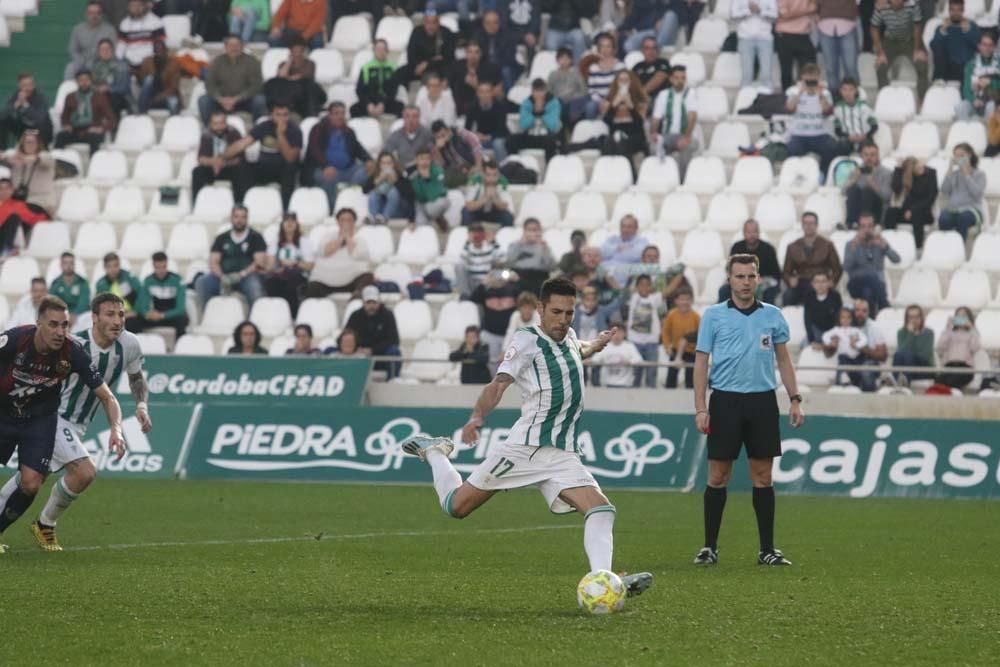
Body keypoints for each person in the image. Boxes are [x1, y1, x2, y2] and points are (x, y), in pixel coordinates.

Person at [401, 276, 653, 599]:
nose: (563, 320)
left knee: (602, 510)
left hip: (561, 454)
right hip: (525, 450)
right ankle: (435, 452)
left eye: (569, 313)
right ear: (540, 309)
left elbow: (577, 351)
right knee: (457, 507)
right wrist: (477, 417)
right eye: (557, 312)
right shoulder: (525, 342)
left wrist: (596, 345)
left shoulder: (570, 336)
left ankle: (603, 582)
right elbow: (498, 384)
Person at [2, 293, 148, 552]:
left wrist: (141, 406)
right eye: (110, 315)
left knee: (31, 480)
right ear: (94, 318)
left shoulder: (130, 344)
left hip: (75, 426)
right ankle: (46, 524)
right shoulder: (73, 343)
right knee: (84, 472)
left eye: (121, 315)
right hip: (54, 417)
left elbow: (135, 379)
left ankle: (39, 524)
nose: (117, 321)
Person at [693, 253, 804, 567]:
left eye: (750, 276)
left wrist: (795, 399)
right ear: (729, 279)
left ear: (758, 279)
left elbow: (783, 359)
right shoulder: (713, 316)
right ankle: (709, 547)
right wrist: (701, 408)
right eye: (739, 276)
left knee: (762, 476)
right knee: (718, 476)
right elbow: (701, 363)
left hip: (762, 402)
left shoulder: (773, 316)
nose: (745, 282)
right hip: (725, 401)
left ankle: (767, 549)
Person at [223, 101, 302, 210]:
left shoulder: (295, 130)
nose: (282, 118)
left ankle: (285, 210)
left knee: (290, 169)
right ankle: (240, 206)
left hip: (283, 170)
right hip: (264, 167)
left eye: (285, 115)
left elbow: (290, 158)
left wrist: (280, 133)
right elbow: (242, 144)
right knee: (242, 168)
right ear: (271, 115)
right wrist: (222, 156)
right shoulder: (264, 126)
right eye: (278, 115)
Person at [195, 205, 269, 308]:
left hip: (246, 277)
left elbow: (259, 262)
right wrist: (223, 277)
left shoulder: (256, 237)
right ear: (231, 218)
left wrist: (241, 275)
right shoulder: (221, 238)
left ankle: (254, 321)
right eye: (236, 216)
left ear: (247, 219)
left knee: (254, 287)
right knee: (202, 282)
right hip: (223, 277)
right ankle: (208, 314)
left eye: (243, 217)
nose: (239, 220)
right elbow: (213, 262)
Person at [307, 102, 373, 212]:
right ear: (329, 115)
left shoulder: (349, 131)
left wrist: (369, 160)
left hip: (347, 170)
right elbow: (315, 151)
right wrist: (326, 166)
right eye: (336, 113)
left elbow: (358, 148)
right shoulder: (318, 129)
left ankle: (350, 201)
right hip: (322, 169)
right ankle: (333, 211)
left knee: (367, 170)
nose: (340, 117)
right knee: (329, 177)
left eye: (342, 113)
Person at [198, 34, 267, 125]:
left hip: (245, 100)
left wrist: (236, 99)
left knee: (260, 100)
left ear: (242, 46)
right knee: (203, 100)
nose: (234, 48)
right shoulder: (217, 62)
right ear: (225, 47)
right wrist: (220, 98)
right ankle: (210, 130)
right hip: (221, 100)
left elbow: (256, 86)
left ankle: (258, 130)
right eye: (231, 45)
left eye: (237, 45)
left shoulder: (252, 62)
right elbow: (210, 84)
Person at [304, 207, 372, 298]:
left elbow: (357, 254)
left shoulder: (360, 240)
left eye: (349, 220)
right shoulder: (328, 237)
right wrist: (340, 239)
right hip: (325, 281)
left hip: (351, 281)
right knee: (312, 286)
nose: (346, 223)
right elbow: (324, 252)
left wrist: (348, 237)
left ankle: (356, 299)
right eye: (343, 220)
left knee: (367, 277)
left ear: (354, 222)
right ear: (338, 222)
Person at [785, 64, 837, 179]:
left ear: (818, 78)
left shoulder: (825, 93)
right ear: (802, 78)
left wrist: (820, 95)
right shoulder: (794, 91)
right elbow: (789, 108)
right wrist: (800, 93)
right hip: (799, 134)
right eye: (808, 80)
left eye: (813, 80)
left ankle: (824, 177)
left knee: (831, 148)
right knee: (792, 148)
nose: (811, 83)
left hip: (820, 134)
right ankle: (795, 177)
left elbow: (827, 111)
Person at [843, 212, 898, 317]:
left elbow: (896, 260)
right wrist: (854, 248)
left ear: (873, 227)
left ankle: (871, 320)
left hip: (875, 287)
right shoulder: (851, 244)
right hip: (855, 284)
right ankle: (884, 305)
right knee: (870, 274)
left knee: (868, 292)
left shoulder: (879, 242)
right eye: (863, 226)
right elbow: (846, 267)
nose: (866, 229)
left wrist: (885, 247)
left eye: (869, 226)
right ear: (858, 228)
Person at [871, 0, 928, 101]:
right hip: (890, 41)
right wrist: (880, 53)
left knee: (922, 64)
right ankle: (885, 99)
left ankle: (922, 100)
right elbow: (874, 28)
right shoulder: (881, 6)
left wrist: (917, 49)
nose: (896, 2)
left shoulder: (913, 4)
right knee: (880, 67)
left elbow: (917, 26)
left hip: (910, 39)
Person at [782, 212, 842, 305]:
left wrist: (832, 281)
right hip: (801, 281)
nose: (808, 226)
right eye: (805, 223)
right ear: (802, 225)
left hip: (821, 282)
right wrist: (790, 280)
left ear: (817, 225)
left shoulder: (827, 245)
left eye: (811, 223)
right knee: (788, 296)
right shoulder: (793, 247)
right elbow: (786, 271)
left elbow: (837, 269)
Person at [650, 65, 698, 181]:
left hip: (685, 134)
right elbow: (656, 118)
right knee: (655, 145)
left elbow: (692, 117)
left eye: (683, 78)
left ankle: (682, 181)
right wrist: (653, 133)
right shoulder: (664, 95)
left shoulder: (690, 93)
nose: (680, 81)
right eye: (677, 78)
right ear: (671, 79)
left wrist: (686, 137)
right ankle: (659, 179)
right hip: (667, 135)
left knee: (688, 146)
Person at [127, 251, 189, 339]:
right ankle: (140, 346)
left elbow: (180, 309)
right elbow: (143, 305)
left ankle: (179, 349)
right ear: (153, 266)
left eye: (163, 267)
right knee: (131, 322)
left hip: (172, 316)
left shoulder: (178, 281)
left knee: (182, 320)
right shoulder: (148, 281)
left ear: (167, 265)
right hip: (155, 316)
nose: (161, 271)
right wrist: (147, 314)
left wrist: (163, 315)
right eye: (157, 267)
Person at [193, 111, 251, 203]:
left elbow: (240, 158)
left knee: (241, 171)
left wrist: (223, 163)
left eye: (221, 123)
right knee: (197, 172)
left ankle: (239, 203)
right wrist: (214, 162)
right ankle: (196, 202)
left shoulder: (234, 133)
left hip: (230, 167)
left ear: (226, 123)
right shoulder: (206, 135)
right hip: (212, 168)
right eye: (215, 124)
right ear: (211, 124)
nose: (219, 127)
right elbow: (201, 158)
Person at [719, 219, 781, 304]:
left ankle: (764, 317)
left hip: (763, 283)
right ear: (744, 233)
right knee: (724, 291)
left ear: (759, 232)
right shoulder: (737, 247)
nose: (752, 235)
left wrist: (761, 280)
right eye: (748, 232)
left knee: (769, 293)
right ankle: (724, 317)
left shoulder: (768, 249)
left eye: (754, 231)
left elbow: (776, 274)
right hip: (740, 281)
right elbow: (729, 269)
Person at [54, 69, 116, 155]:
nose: (84, 83)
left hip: (92, 130)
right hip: (75, 130)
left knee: (94, 139)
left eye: (87, 80)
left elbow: (111, 119)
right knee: (60, 137)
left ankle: (93, 166)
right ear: (77, 82)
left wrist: (101, 128)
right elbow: (64, 117)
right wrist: (66, 125)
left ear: (91, 81)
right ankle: (58, 164)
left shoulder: (99, 97)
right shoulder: (70, 97)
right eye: (81, 80)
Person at [344, 285, 401, 378]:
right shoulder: (355, 316)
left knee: (394, 352)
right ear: (363, 302)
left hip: (381, 357)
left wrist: (372, 350)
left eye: (374, 302)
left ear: (379, 302)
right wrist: (356, 348)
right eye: (368, 302)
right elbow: (346, 335)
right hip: (358, 356)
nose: (371, 306)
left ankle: (393, 381)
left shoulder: (387, 315)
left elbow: (394, 340)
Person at [266, 212, 314, 317]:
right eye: (286, 220)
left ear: (297, 224)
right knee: (272, 283)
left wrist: (296, 263)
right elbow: (270, 266)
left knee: (292, 283)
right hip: (279, 274)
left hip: (298, 275)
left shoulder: (304, 242)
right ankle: (275, 315)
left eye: (292, 221)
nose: (289, 223)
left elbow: (310, 266)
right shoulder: (275, 242)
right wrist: (278, 265)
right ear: (282, 224)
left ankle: (293, 315)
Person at [263, 37, 326, 118]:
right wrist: (289, 61)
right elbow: (280, 77)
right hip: (288, 93)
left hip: (304, 93)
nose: (297, 53)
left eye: (300, 51)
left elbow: (303, 76)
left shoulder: (310, 63)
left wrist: (288, 78)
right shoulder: (283, 64)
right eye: (295, 51)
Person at [470, 269, 522, 365]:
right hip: (490, 334)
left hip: (509, 336)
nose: (499, 278)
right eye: (496, 275)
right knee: (492, 364)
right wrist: (484, 283)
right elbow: (473, 298)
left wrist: (517, 280)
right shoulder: (486, 292)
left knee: (511, 364)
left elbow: (525, 297)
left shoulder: (513, 290)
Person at [884, 157, 937, 249]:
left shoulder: (931, 174)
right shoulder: (909, 178)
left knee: (917, 214)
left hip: (924, 213)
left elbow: (930, 198)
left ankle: (918, 247)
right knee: (891, 211)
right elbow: (896, 188)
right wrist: (898, 169)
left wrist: (912, 210)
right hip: (907, 212)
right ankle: (889, 243)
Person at [603, 71, 649, 176]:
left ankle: (631, 177)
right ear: (616, 82)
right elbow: (606, 121)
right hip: (616, 136)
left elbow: (639, 123)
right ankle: (607, 177)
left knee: (623, 143)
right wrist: (614, 105)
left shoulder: (641, 101)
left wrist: (630, 106)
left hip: (635, 137)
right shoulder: (610, 101)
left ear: (631, 82)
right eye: (620, 80)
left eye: (626, 80)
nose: (623, 83)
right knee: (608, 142)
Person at [1, 130, 58, 215]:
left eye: (33, 142)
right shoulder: (15, 158)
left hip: (40, 203)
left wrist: (23, 158)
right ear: (22, 144)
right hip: (18, 201)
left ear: (38, 144)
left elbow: (40, 159)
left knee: (13, 213)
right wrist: (6, 157)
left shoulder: (46, 156)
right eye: (27, 142)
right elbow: (4, 156)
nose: (30, 145)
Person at [938, 142, 986, 241]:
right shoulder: (954, 174)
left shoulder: (980, 174)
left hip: (972, 211)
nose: (958, 158)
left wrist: (966, 175)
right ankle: (946, 247)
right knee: (943, 218)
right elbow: (944, 191)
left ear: (970, 155)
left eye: (961, 155)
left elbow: (977, 194)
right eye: (956, 155)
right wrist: (949, 170)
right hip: (953, 210)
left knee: (963, 218)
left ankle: (960, 249)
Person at [505, 78, 561, 160]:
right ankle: (515, 164)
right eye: (536, 91)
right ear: (532, 91)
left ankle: (549, 167)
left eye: (541, 90)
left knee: (551, 141)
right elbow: (523, 125)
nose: (539, 94)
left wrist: (541, 112)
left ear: (545, 91)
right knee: (511, 140)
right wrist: (534, 113)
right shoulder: (527, 103)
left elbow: (553, 126)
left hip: (546, 136)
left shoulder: (553, 102)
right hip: (530, 136)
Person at [65, 2, 120, 81]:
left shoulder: (110, 30)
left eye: (97, 13)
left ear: (102, 15)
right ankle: (71, 92)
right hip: (83, 62)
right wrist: (80, 60)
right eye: (91, 13)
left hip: (103, 63)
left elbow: (114, 50)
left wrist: (103, 61)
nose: (94, 16)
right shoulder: (78, 29)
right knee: (70, 68)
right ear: (86, 14)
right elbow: (73, 49)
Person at [626, 274, 664, 388]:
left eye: (647, 285)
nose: (644, 287)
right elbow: (620, 290)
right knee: (635, 374)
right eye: (641, 285)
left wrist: (680, 274)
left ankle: (652, 402)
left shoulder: (655, 298)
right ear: (636, 287)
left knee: (651, 373)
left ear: (651, 287)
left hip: (652, 342)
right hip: (634, 341)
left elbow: (669, 290)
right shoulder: (632, 298)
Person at [930, 0, 980, 84]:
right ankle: (938, 84)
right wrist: (942, 30)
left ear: (962, 11)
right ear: (949, 11)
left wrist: (967, 32)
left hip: (965, 67)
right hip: (946, 68)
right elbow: (933, 47)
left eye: (958, 10)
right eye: (952, 10)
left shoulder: (972, 26)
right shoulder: (941, 27)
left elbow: (979, 47)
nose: (955, 13)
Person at [843, 141, 891, 228]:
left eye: (872, 155)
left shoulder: (886, 173)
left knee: (867, 190)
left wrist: (873, 184)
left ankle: (866, 224)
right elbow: (843, 192)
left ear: (878, 156)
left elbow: (887, 197)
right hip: (857, 210)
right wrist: (853, 180)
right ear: (862, 156)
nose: (869, 158)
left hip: (877, 211)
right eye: (866, 155)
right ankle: (850, 224)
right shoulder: (856, 171)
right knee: (853, 189)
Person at [403, 7, 457, 83]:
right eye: (427, 22)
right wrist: (417, 66)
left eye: (433, 22)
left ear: (438, 22)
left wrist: (427, 63)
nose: (430, 26)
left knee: (451, 72)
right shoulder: (417, 32)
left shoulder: (446, 33)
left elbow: (448, 57)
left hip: (439, 68)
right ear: (424, 22)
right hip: (418, 66)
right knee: (401, 73)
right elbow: (411, 53)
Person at [732, 0, 778, 89]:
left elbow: (775, 16)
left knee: (766, 74)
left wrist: (760, 10)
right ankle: (744, 101)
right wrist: (748, 10)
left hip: (765, 38)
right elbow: (733, 15)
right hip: (745, 38)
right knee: (747, 75)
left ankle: (768, 101)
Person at [506, 218, 556, 296]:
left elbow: (552, 267)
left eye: (535, 230)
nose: (532, 233)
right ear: (524, 231)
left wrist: (544, 248)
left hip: (539, 276)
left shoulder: (544, 246)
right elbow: (509, 262)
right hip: (519, 275)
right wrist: (520, 244)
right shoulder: (515, 245)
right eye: (529, 230)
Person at [353, 39, 403, 118]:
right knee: (354, 109)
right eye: (378, 49)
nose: (381, 52)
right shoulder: (366, 68)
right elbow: (360, 90)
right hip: (370, 102)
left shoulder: (393, 68)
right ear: (374, 51)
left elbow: (393, 89)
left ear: (387, 51)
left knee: (401, 107)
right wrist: (368, 104)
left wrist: (382, 103)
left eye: (383, 49)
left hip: (387, 102)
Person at [1, 73, 53, 149]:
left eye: (30, 84)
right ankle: (2, 150)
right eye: (24, 85)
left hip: (39, 131)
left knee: (43, 122)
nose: (28, 88)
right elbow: (3, 115)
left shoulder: (40, 97)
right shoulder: (15, 96)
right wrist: (16, 104)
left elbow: (40, 119)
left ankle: (43, 149)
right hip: (22, 130)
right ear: (19, 86)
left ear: (34, 85)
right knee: (3, 120)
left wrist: (26, 105)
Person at [450, 42, 501, 118]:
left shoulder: (490, 68)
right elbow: (449, 86)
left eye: (476, 52)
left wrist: (477, 86)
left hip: (482, 105)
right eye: (470, 52)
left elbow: (498, 91)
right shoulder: (457, 66)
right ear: (466, 53)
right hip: (460, 103)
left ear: (480, 54)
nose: (473, 56)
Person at [817, 0, 859, 93]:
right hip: (825, 26)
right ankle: (834, 101)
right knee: (830, 68)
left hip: (848, 24)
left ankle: (855, 101)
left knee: (850, 68)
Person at [774, 0, 817, 92]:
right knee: (786, 73)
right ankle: (786, 99)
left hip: (804, 35)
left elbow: (814, 8)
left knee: (808, 72)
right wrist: (805, 11)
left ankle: (808, 99)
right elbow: (784, 15)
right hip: (785, 35)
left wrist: (802, 11)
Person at [661, 286, 698, 389]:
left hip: (691, 352)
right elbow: (665, 332)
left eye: (687, 299)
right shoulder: (671, 315)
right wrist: (667, 346)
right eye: (681, 299)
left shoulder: (696, 316)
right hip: (675, 350)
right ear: (676, 301)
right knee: (671, 379)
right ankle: (668, 400)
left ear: (691, 301)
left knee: (691, 380)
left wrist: (697, 349)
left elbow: (701, 334)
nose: (684, 302)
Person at [957, 32, 1000, 120]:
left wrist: (991, 82)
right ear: (979, 46)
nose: (987, 48)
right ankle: (964, 133)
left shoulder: (998, 63)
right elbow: (966, 89)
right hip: (976, 101)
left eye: (990, 45)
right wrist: (973, 100)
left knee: (990, 106)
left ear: (995, 47)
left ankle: (989, 133)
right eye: (984, 45)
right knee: (961, 107)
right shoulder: (971, 65)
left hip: (995, 102)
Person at [936, 307, 981, 389]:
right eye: (958, 316)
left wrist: (972, 328)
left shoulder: (973, 332)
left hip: (965, 368)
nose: (960, 318)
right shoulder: (949, 332)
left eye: (963, 316)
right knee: (938, 383)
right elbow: (940, 347)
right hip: (949, 366)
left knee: (952, 382)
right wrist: (947, 329)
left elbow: (975, 348)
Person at [822, 306, 867, 386]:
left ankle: (847, 381)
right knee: (842, 359)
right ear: (839, 319)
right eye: (843, 317)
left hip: (854, 360)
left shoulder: (855, 330)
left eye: (848, 317)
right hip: (843, 359)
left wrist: (856, 344)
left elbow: (864, 340)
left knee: (846, 365)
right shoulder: (837, 330)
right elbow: (825, 336)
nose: (845, 320)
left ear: (852, 319)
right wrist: (831, 343)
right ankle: (839, 382)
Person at [465, 81, 509, 162]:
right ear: (477, 93)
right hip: (481, 138)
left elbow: (502, 128)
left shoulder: (500, 106)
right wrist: (475, 135)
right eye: (481, 92)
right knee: (469, 143)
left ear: (492, 93)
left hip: (498, 136)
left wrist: (488, 137)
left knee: (498, 144)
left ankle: (503, 169)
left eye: (487, 91)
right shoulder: (472, 107)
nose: (484, 95)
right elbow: (467, 128)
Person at [584, 32, 626, 120]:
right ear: (599, 49)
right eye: (602, 46)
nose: (605, 49)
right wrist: (600, 102)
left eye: (608, 46)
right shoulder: (593, 68)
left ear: (613, 49)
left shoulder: (620, 66)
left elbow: (623, 89)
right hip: (599, 101)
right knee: (590, 107)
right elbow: (592, 91)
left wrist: (610, 102)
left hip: (616, 99)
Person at [476, 10, 519, 91]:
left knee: (506, 71)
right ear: (483, 24)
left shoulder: (508, 36)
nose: (491, 26)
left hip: (502, 67)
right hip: (484, 68)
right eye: (488, 23)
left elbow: (509, 59)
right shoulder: (478, 36)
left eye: (495, 23)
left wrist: (493, 70)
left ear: (499, 24)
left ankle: (506, 99)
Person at [832, 77, 876, 157]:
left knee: (868, 148)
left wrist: (865, 136)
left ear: (855, 91)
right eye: (844, 90)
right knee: (840, 146)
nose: (847, 93)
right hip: (848, 139)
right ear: (840, 91)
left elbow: (874, 126)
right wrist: (848, 137)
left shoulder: (865, 107)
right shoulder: (837, 109)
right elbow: (837, 130)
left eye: (850, 90)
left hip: (864, 138)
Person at [432, 121, 483, 189]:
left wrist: (478, 165)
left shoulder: (459, 133)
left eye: (443, 135)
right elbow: (440, 165)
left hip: (470, 165)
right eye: (438, 137)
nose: (441, 139)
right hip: (455, 171)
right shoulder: (436, 146)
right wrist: (437, 149)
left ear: (448, 130)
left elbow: (476, 145)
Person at [462, 160, 513, 227]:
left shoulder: (502, 182)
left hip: (495, 212)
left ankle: (506, 235)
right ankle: (465, 235)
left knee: (507, 216)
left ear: (499, 174)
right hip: (477, 211)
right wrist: (485, 198)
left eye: (495, 175)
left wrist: (494, 198)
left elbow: (505, 206)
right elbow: (468, 206)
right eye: (488, 175)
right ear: (483, 174)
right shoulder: (475, 181)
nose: (491, 179)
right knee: (466, 212)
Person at [600, 214, 648, 286]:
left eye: (629, 227)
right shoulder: (612, 239)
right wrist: (617, 248)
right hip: (603, 280)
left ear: (636, 228)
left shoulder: (642, 241)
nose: (625, 230)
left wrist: (612, 252)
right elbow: (602, 252)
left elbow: (634, 255)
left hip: (627, 281)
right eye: (623, 226)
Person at [116, 0, 166, 69]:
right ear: (128, 7)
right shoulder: (124, 23)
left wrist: (155, 59)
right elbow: (121, 46)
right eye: (132, 6)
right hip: (129, 62)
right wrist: (119, 61)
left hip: (149, 62)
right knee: (120, 68)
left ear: (145, 6)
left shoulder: (156, 22)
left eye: (139, 5)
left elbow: (160, 46)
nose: (136, 8)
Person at [457, 222, 501, 298]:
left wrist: (493, 241)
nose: (476, 237)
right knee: (459, 266)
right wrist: (467, 243)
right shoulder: (467, 248)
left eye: (479, 234)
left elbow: (502, 260)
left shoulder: (490, 247)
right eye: (474, 234)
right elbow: (461, 262)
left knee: (500, 269)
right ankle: (465, 296)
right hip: (472, 282)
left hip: (488, 281)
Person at [136, 40, 181, 114]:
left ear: (166, 51)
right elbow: (141, 82)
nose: (158, 53)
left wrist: (158, 98)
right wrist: (137, 73)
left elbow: (173, 88)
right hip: (149, 97)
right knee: (148, 79)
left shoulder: (174, 64)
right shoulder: (147, 62)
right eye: (156, 51)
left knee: (173, 101)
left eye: (161, 51)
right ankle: (142, 115)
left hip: (166, 96)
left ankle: (174, 123)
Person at [384, 105, 434, 171]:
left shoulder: (427, 134)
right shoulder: (395, 136)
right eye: (407, 116)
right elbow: (385, 155)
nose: (411, 120)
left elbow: (433, 157)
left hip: (423, 171)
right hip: (402, 172)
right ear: (403, 118)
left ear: (419, 118)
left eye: (414, 116)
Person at [411, 146, 451, 227]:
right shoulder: (413, 173)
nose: (425, 161)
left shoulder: (438, 171)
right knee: (421, 225)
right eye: (422, 159)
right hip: (420, 205)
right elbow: (418, 196)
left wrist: (427, 179)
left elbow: (436, 194)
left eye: (427, 159)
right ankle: (438, 219)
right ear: (416, 160)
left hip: (434, 203)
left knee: (443, 202)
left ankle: (437, 217)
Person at [95, 252, 142, 321]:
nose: (113, 269)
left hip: (131, 315)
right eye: (109, 266)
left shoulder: (130, 278)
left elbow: (141, 298)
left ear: (119, 265)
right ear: (105, 268)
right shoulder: (101, 284)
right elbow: (99, 306)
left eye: (115, 265)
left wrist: (135, 311)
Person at [547, 47, 588, 126]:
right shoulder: (553, 74)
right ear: (557, 60)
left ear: (571, 60)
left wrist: (573, 96)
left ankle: (571, 127)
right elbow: (549, 92)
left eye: (566, 59)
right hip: (559, 102)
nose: (564, 61)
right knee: (557, 104)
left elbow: (584, 90)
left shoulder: (576, 72)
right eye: (561, 58)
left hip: (574, 101)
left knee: (578, 102)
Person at [893, 304, 934, 381]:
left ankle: (899, 381)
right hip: (908, 365)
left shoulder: (929, 333)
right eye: (911, 317)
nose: (914, 320)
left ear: (922, 318)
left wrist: (912, 335)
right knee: (897, 355)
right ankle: (898, 381)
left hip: (924, 368)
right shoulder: (901, 332)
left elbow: (925, 354)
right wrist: (910, 334)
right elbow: (901, 351)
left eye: (917, 317)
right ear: (906, 319)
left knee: (908, 355)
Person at [364, 151, 408, 224]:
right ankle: (373, 217)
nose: (386, 166)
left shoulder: (399, 175)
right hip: (379, 209)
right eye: (383, 163)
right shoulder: (376, 174)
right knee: (373, 193)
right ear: (379, 164)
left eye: (389, 163)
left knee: (393, 192)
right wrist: (379, 180)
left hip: (397, 210)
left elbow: (407, 193)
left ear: (393, 164)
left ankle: (384, 217)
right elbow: (365, 190)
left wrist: (395, 182)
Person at [91, 38, 132, 116]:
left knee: (113, 99)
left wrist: (108, 89)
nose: (105, 51)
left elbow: (124, 88)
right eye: (102, 49)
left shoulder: (122, 65)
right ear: (99, 52)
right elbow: (91, 83)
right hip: (101, 95)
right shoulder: (95, 66)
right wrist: (96, 88)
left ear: (113, 50)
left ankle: (112, 125)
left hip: (120, 97)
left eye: (108, 49)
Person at [49, 253, 91, 321]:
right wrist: (64, 316)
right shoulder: (55, 283)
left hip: (79, 317)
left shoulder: (82, 282)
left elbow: (84, 303)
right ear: (61, 265)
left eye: (71, 263)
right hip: (60, 317)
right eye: (65, 263)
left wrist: (74, 314)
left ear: (74, 265)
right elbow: (52, 302)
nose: (68, 266)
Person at [803, 270, 841, 344]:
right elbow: (807, 320)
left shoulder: (835, 296)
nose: (820, 285)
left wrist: (834, 336)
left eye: (823, 281)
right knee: (804, 345)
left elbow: (838, 318)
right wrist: (812, 340)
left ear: (828, 283)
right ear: (813, 284)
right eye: (817, 281)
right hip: (816, 330)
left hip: (832, 331)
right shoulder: (809, 297)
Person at [632, 36, 671, 101]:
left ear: (657, 50)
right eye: (647, 48)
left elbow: (659, 78)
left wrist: (641, 95)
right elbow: (633, 84)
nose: (651, 51)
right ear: (642, 50)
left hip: (659, 98)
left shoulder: (663, 62)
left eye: (654, 48)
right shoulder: (637, 67)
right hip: (641, 100)